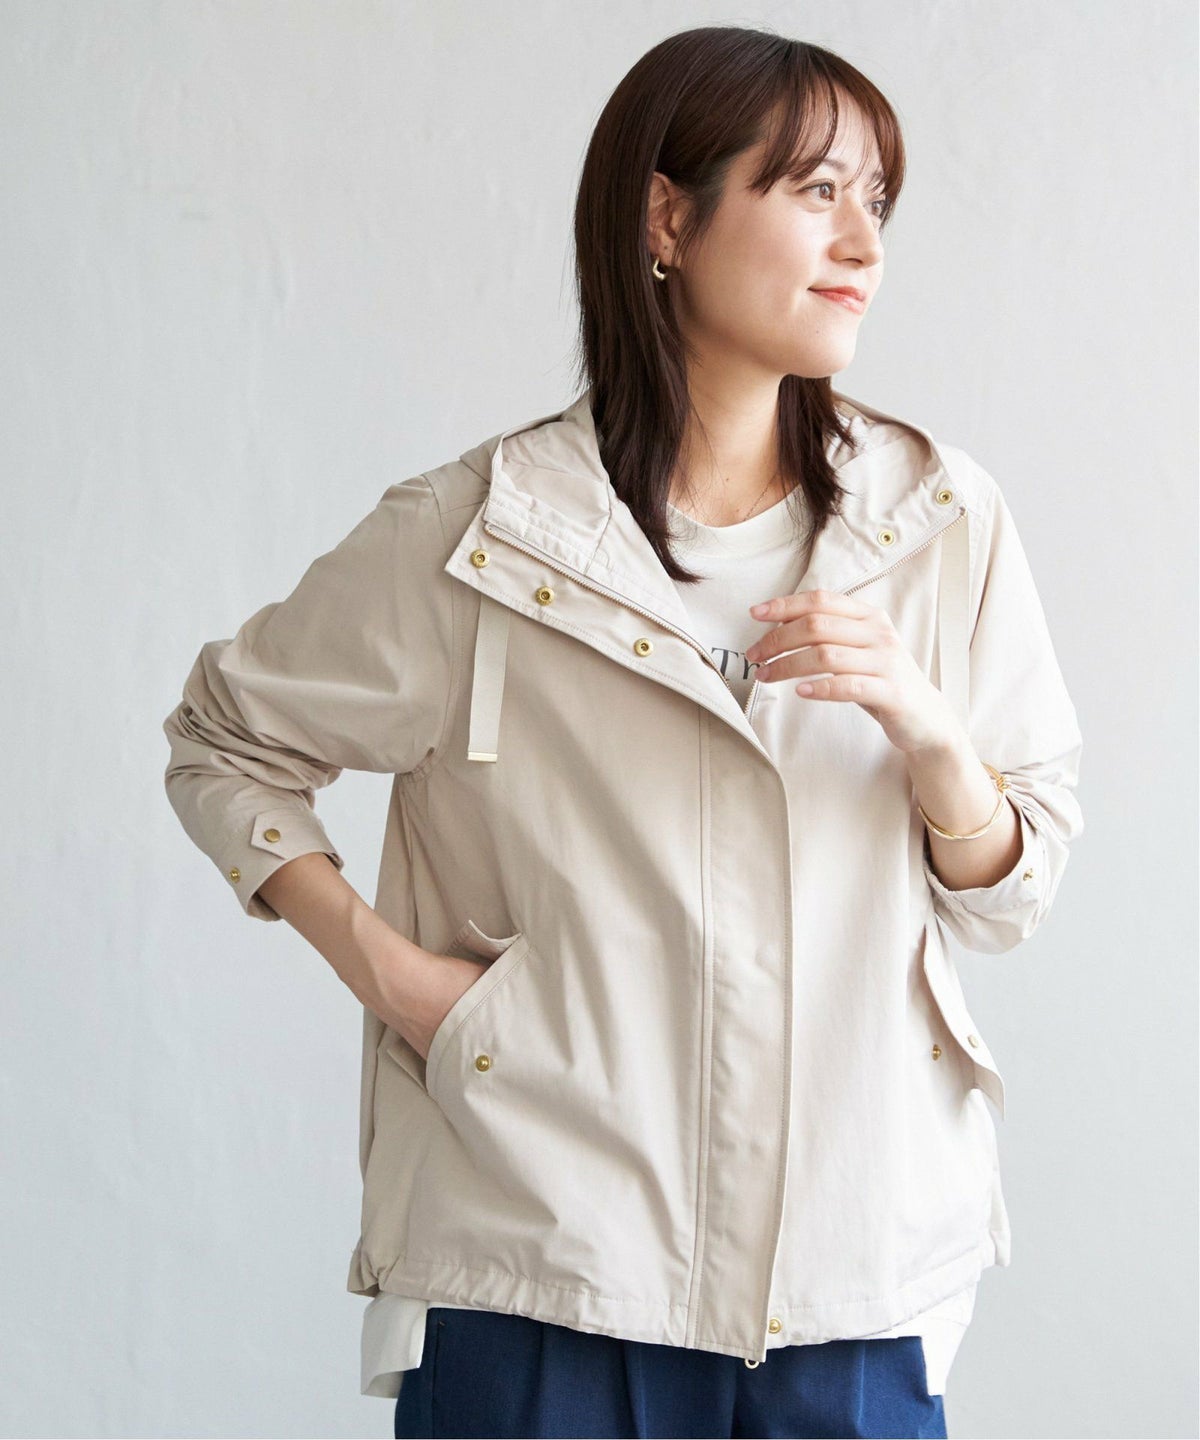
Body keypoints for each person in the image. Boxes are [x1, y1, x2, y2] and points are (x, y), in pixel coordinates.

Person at [160, 24, 1084, 1440]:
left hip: (851, 1277)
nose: (863, 244)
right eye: (814, 191)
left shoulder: (939, 521)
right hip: (544, 1261)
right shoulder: (478, 536)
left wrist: (933, 736)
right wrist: (402, 985)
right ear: (668, 217)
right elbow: (225, 740)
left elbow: (1016, 889)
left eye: (877, 200)